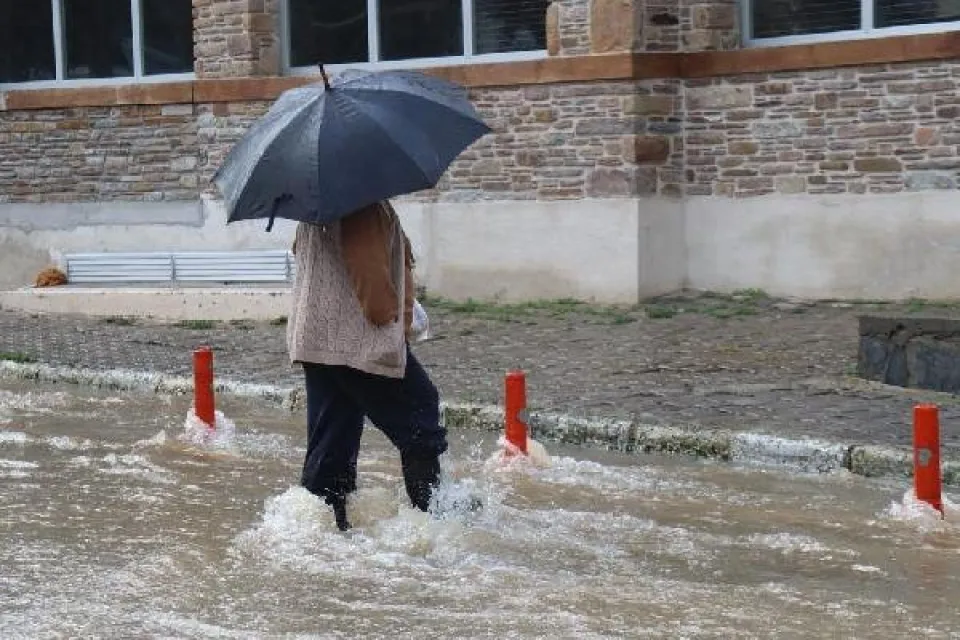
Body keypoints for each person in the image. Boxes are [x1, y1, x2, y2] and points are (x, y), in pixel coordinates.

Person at [287, 200, 447, 531]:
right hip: (356, 340)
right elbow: (371, 283)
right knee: (420, 412)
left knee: (332, 442)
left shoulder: (315, 208)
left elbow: (303, 255)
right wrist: (391, 315)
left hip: (316, 340)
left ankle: (321, 531)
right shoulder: (361, 206)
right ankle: (436, 521)